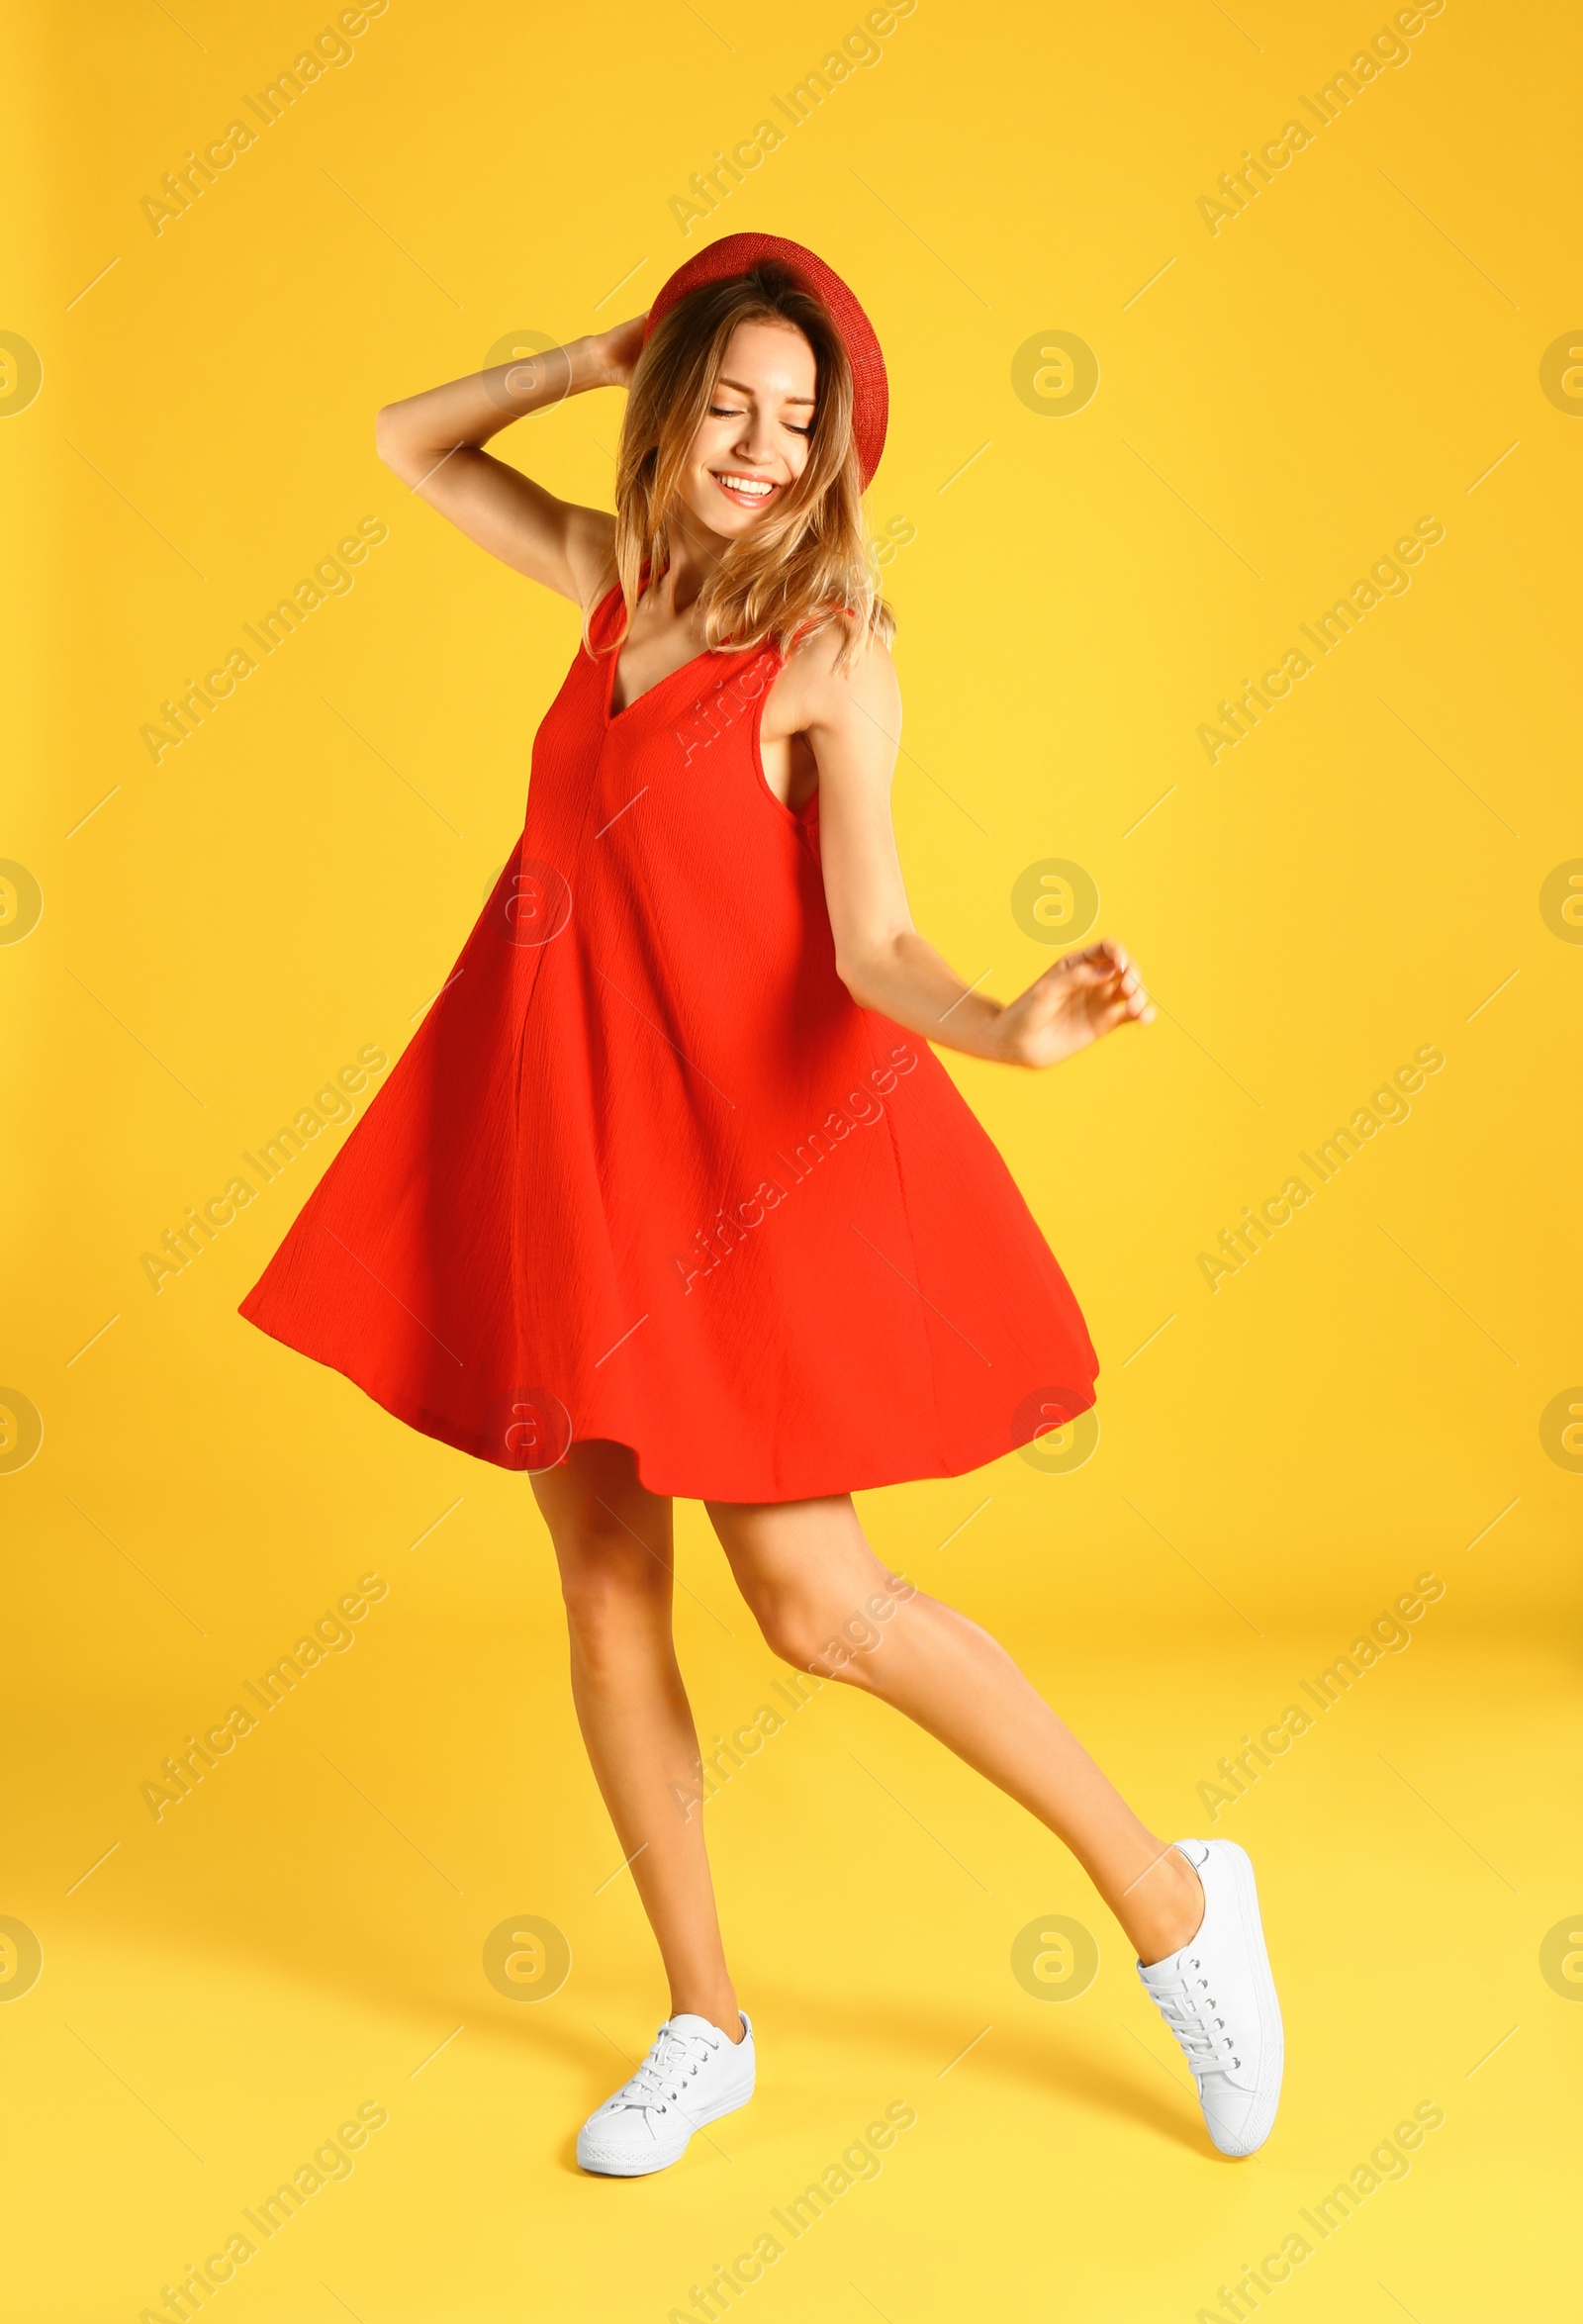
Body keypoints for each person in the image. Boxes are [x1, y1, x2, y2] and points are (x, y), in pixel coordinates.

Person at [239, 233, 1282, 2176]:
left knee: (818, 1604)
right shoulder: (612, 585)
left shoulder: (828, 656)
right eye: (722, 401)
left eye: (794, 421)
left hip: (735, 1162)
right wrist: (584, 349)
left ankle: (1171, 1897)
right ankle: (703, 2018)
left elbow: (871, 937)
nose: (751, 445)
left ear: (832, 458)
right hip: (564, 1136)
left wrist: (1008, 1023)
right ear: (674, 406)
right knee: (606, 1592)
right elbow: (406, 444)